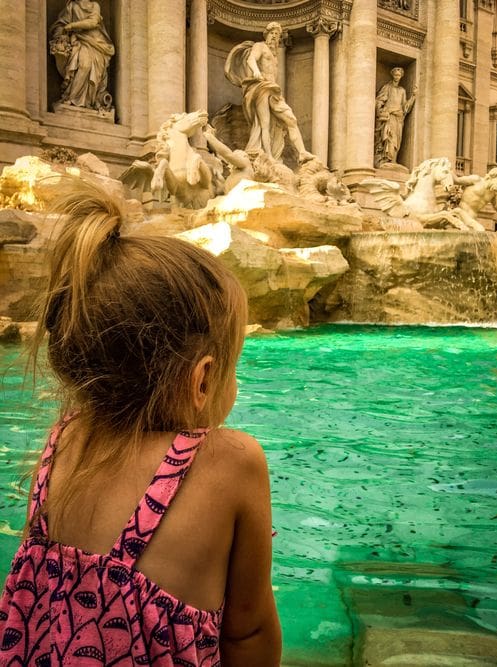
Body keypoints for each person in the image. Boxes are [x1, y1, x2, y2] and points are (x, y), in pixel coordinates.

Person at [0, 179, 282, 665]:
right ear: (203, 380)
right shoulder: (230, 463)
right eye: (234, 366)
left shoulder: (62, 441)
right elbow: (250, 631)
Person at [225, 22, 314, 163]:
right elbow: (251, 59)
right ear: (266, 34)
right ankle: (269, 157)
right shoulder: (260, 46)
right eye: (272, 33)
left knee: (291, 119)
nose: (274, 36)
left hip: (273, 90)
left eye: (277, 34)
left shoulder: (275, 55)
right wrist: (256, 71)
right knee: (264, 124)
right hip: (261, 87)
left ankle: (302, 152)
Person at [49, 0, 115, 110]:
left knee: (90, 67)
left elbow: (93, 22)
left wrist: (71, 26)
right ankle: (72, 98)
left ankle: (89, 101)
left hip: (97, 43)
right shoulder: (72, 6)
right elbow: (61, 25)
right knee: (85, 65)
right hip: (79, 41)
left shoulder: (94, 5)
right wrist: (60, 34)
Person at [374, 67, 417, 168]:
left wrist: (413, 96)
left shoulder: (402, 90)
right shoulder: (387, 87)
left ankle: (393, 160)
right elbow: (380, 100)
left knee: (397, 139)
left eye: (399, 75)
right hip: (389, 116)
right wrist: (379, 110)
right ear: (392, 75)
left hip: (399, 118)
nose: (397, 77)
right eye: (395, 75)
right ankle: (386, 159)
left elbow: (405, 106)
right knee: (389, 137)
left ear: (401, 77)